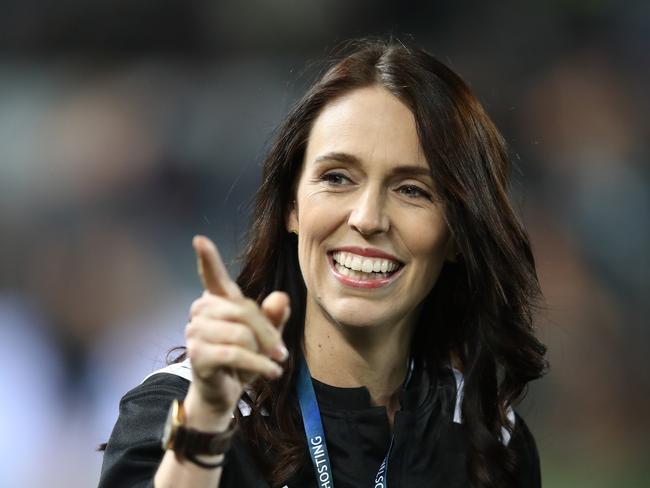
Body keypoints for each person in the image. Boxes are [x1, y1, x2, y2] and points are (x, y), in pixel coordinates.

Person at [99, 39, 548, 488]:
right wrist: (206, 421)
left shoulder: (486, 439)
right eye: (337, 178)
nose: (367, 218)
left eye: (413, 189)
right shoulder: (187, 407)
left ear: (457, 234)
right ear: (291, 207)